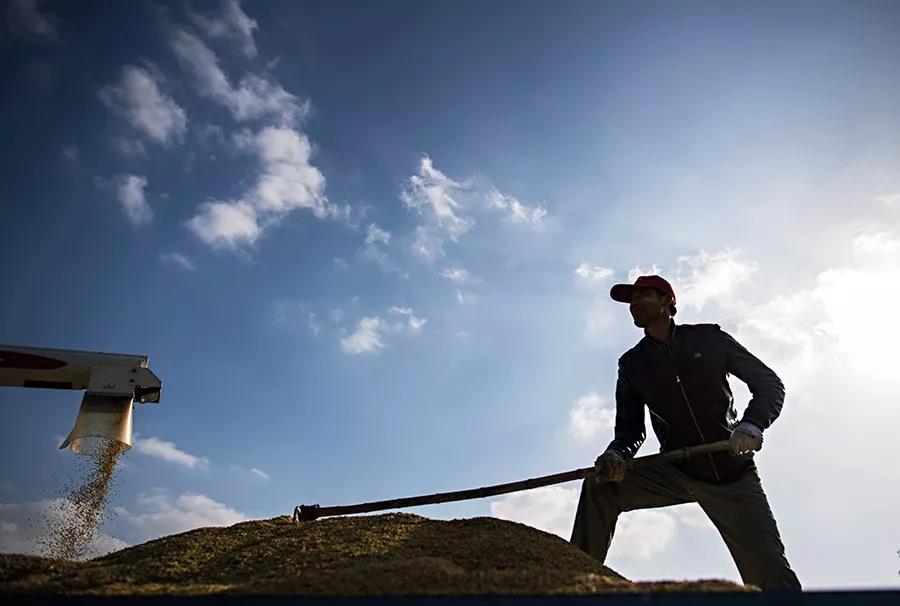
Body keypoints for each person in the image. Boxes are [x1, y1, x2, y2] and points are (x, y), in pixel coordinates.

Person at [569, 275, 801, 591]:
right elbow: (629, 431)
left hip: (733, 476)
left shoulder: (710, 339)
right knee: (600, 487)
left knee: (771, 576)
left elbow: (770, 384)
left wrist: (752, 423)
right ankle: (570, 584)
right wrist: (616, 455)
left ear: (668, 302)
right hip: (676, 471)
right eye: (630, 300)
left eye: (643, 296)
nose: (634, 303)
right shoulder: (633, 364)